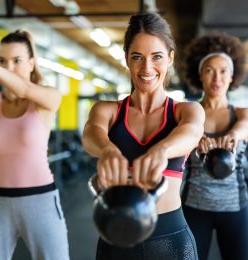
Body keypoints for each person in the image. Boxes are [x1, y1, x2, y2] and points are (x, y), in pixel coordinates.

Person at [82, 13, 205, 260]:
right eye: (137, 57)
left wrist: (161, 150)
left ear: (170, 58)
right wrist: (107, 149)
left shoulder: (186, 111)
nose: (147, 68)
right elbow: (91, 133)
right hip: (115, 238)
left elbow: (191, 133)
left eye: (156, 57)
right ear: (127, 59)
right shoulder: (108, 111)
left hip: (171, 241)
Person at [0, 30, 70, 260]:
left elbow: (23, 89)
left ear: (32, 64)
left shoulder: (48, 98)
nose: (8, 68)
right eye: (2, 61)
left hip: (40, 201)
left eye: (17, 61)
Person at [182, 32, 248, 260]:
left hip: (235, 208)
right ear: (200, 75)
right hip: (194, 207)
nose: (216, 78)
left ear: (232, 77)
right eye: (209, 70)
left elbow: (246, 126)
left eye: (223, 71)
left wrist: (233, 134)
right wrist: (192, 138)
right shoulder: (188, 115)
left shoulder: (241, 114)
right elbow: (182, 135)